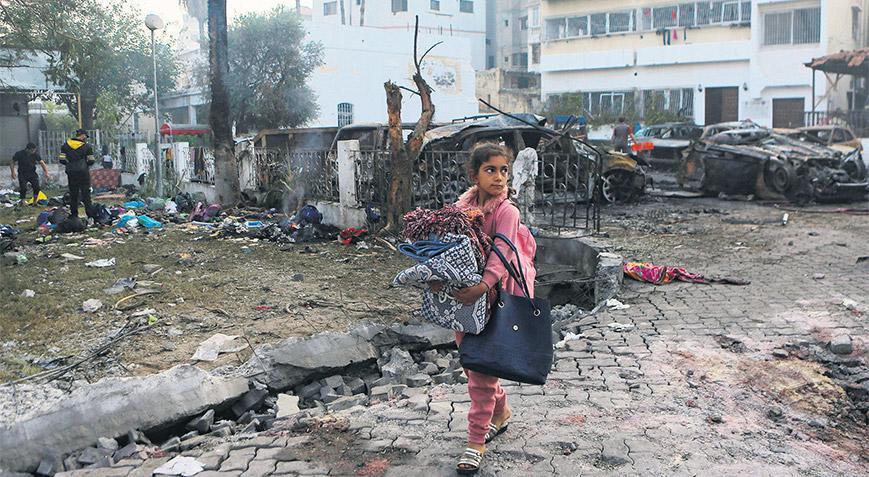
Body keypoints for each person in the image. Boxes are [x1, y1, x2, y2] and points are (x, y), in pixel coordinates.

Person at [446, 143, 538, 475]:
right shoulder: (460, 208)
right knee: (474, 364)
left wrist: (482, 287)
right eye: (491, 170)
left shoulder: (507, 212)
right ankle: (501, 413)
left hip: (496, 294)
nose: (499, 177)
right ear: (474, 174)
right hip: (465, 297)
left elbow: (501, 253)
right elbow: (449, 247)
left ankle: (475, 441)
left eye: (504, 170)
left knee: (482, 369)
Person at [58, 129, 95, 218]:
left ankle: (74, 215)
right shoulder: (87, 147)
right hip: (83, 173)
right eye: (85, 136)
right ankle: (89, 215)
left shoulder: (65, 145)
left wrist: (69, 164)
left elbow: (61, 159)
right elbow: (91, 160)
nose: (86, 138)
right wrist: (85, 164)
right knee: (86, 194)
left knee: (73, 194)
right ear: (82, 135)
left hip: (71, 172)